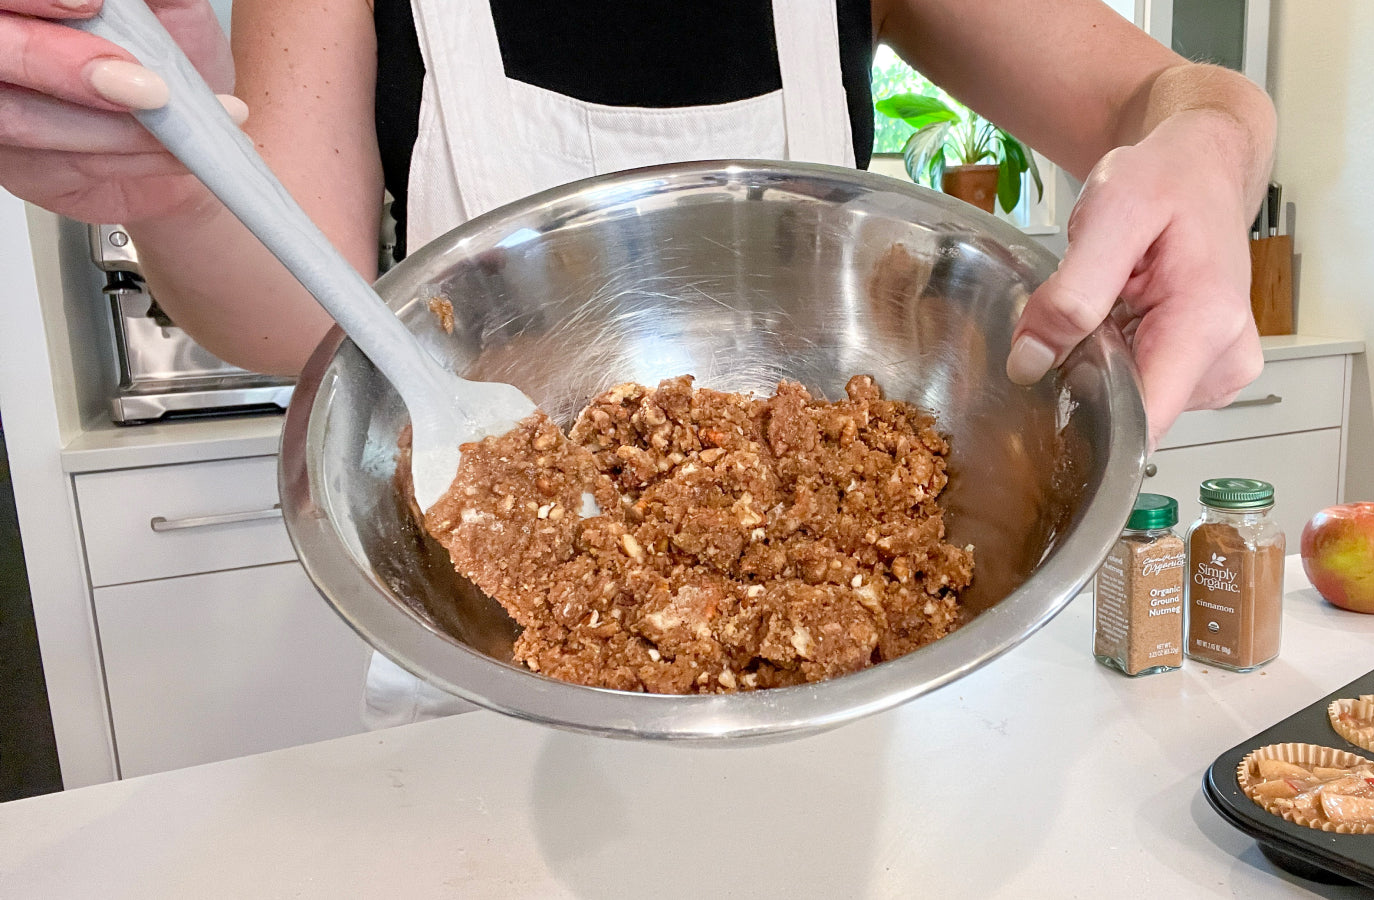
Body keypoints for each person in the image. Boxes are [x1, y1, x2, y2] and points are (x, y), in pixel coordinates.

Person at [0, 0, 1275, 724]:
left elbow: (1171, 92)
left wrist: (1208, 145)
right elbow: (298, 317)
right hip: (493, 715)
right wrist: (163, 182)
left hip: (841, 727)